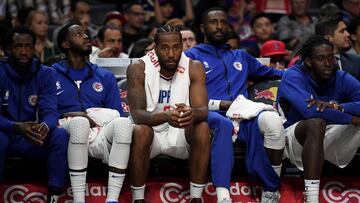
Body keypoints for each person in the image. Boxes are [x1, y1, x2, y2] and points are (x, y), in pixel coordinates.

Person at [185, 7, 285, 202]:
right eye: (214, 22)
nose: (220, 26)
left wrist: (301, 73)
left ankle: (270, 189)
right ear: (202, 28)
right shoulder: (191, 57)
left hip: (242, 112)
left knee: (270, 121)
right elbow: (185, 95)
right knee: (224, 125)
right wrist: (221, 104)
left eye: (223, 22)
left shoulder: (240, 56)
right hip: (209, 112)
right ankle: (223, 195)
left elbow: (273, 73)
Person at [127, 25, 210, 203]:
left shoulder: (194, 66)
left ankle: (196, 198)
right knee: (140, 130)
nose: (171, 53)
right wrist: (166, 116)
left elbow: (203, 110)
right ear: (155, 48)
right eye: (165, 48)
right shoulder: (138, 68)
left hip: (180, 132)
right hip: (151, 134)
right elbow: (137, 115)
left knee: (202, 127)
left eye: (176, 47)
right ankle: (138, 199)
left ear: (182, 46)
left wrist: (192, 113)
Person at [54, 22, 133, 203]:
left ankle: (112, 199)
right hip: (67, 129)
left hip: (98, 128)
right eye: (78, 34)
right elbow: (48, 112)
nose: (86, 37)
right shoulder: (52, 75)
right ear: (65, 44)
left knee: (123, 124)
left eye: (86, 33)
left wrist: (93, 117)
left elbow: (116, 114)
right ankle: (79, 199)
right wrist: (75, 115)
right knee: (79, 123)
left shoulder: (105, 76)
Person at [277, 35, 360, 203]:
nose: (328, 63)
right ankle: (312, 197)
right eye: (321, 59)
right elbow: (311, 112)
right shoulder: (293, 76)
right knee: (316, 123)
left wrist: (337, 107)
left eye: (331, 58)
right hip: (293, 140)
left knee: (321, 123)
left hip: (328, 135)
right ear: (308, 61)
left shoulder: (341, 76)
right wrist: (351, 119)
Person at [0, 27, 68, 203]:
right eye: (17, 46)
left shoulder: (46, 73)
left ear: (35, 47)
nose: (23, 51)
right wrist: (15, 126)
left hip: (30, 136)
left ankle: (54, 196)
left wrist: (45, 126)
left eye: (28, 46)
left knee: (59, 135)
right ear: (8, 49)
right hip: (5, 132)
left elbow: (51, 110)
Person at [315, 15, 360, 81]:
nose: (348, 34)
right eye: (342, 31)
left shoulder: (356, 61)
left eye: (346, 30)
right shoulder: (309, 64)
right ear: (328, 38)